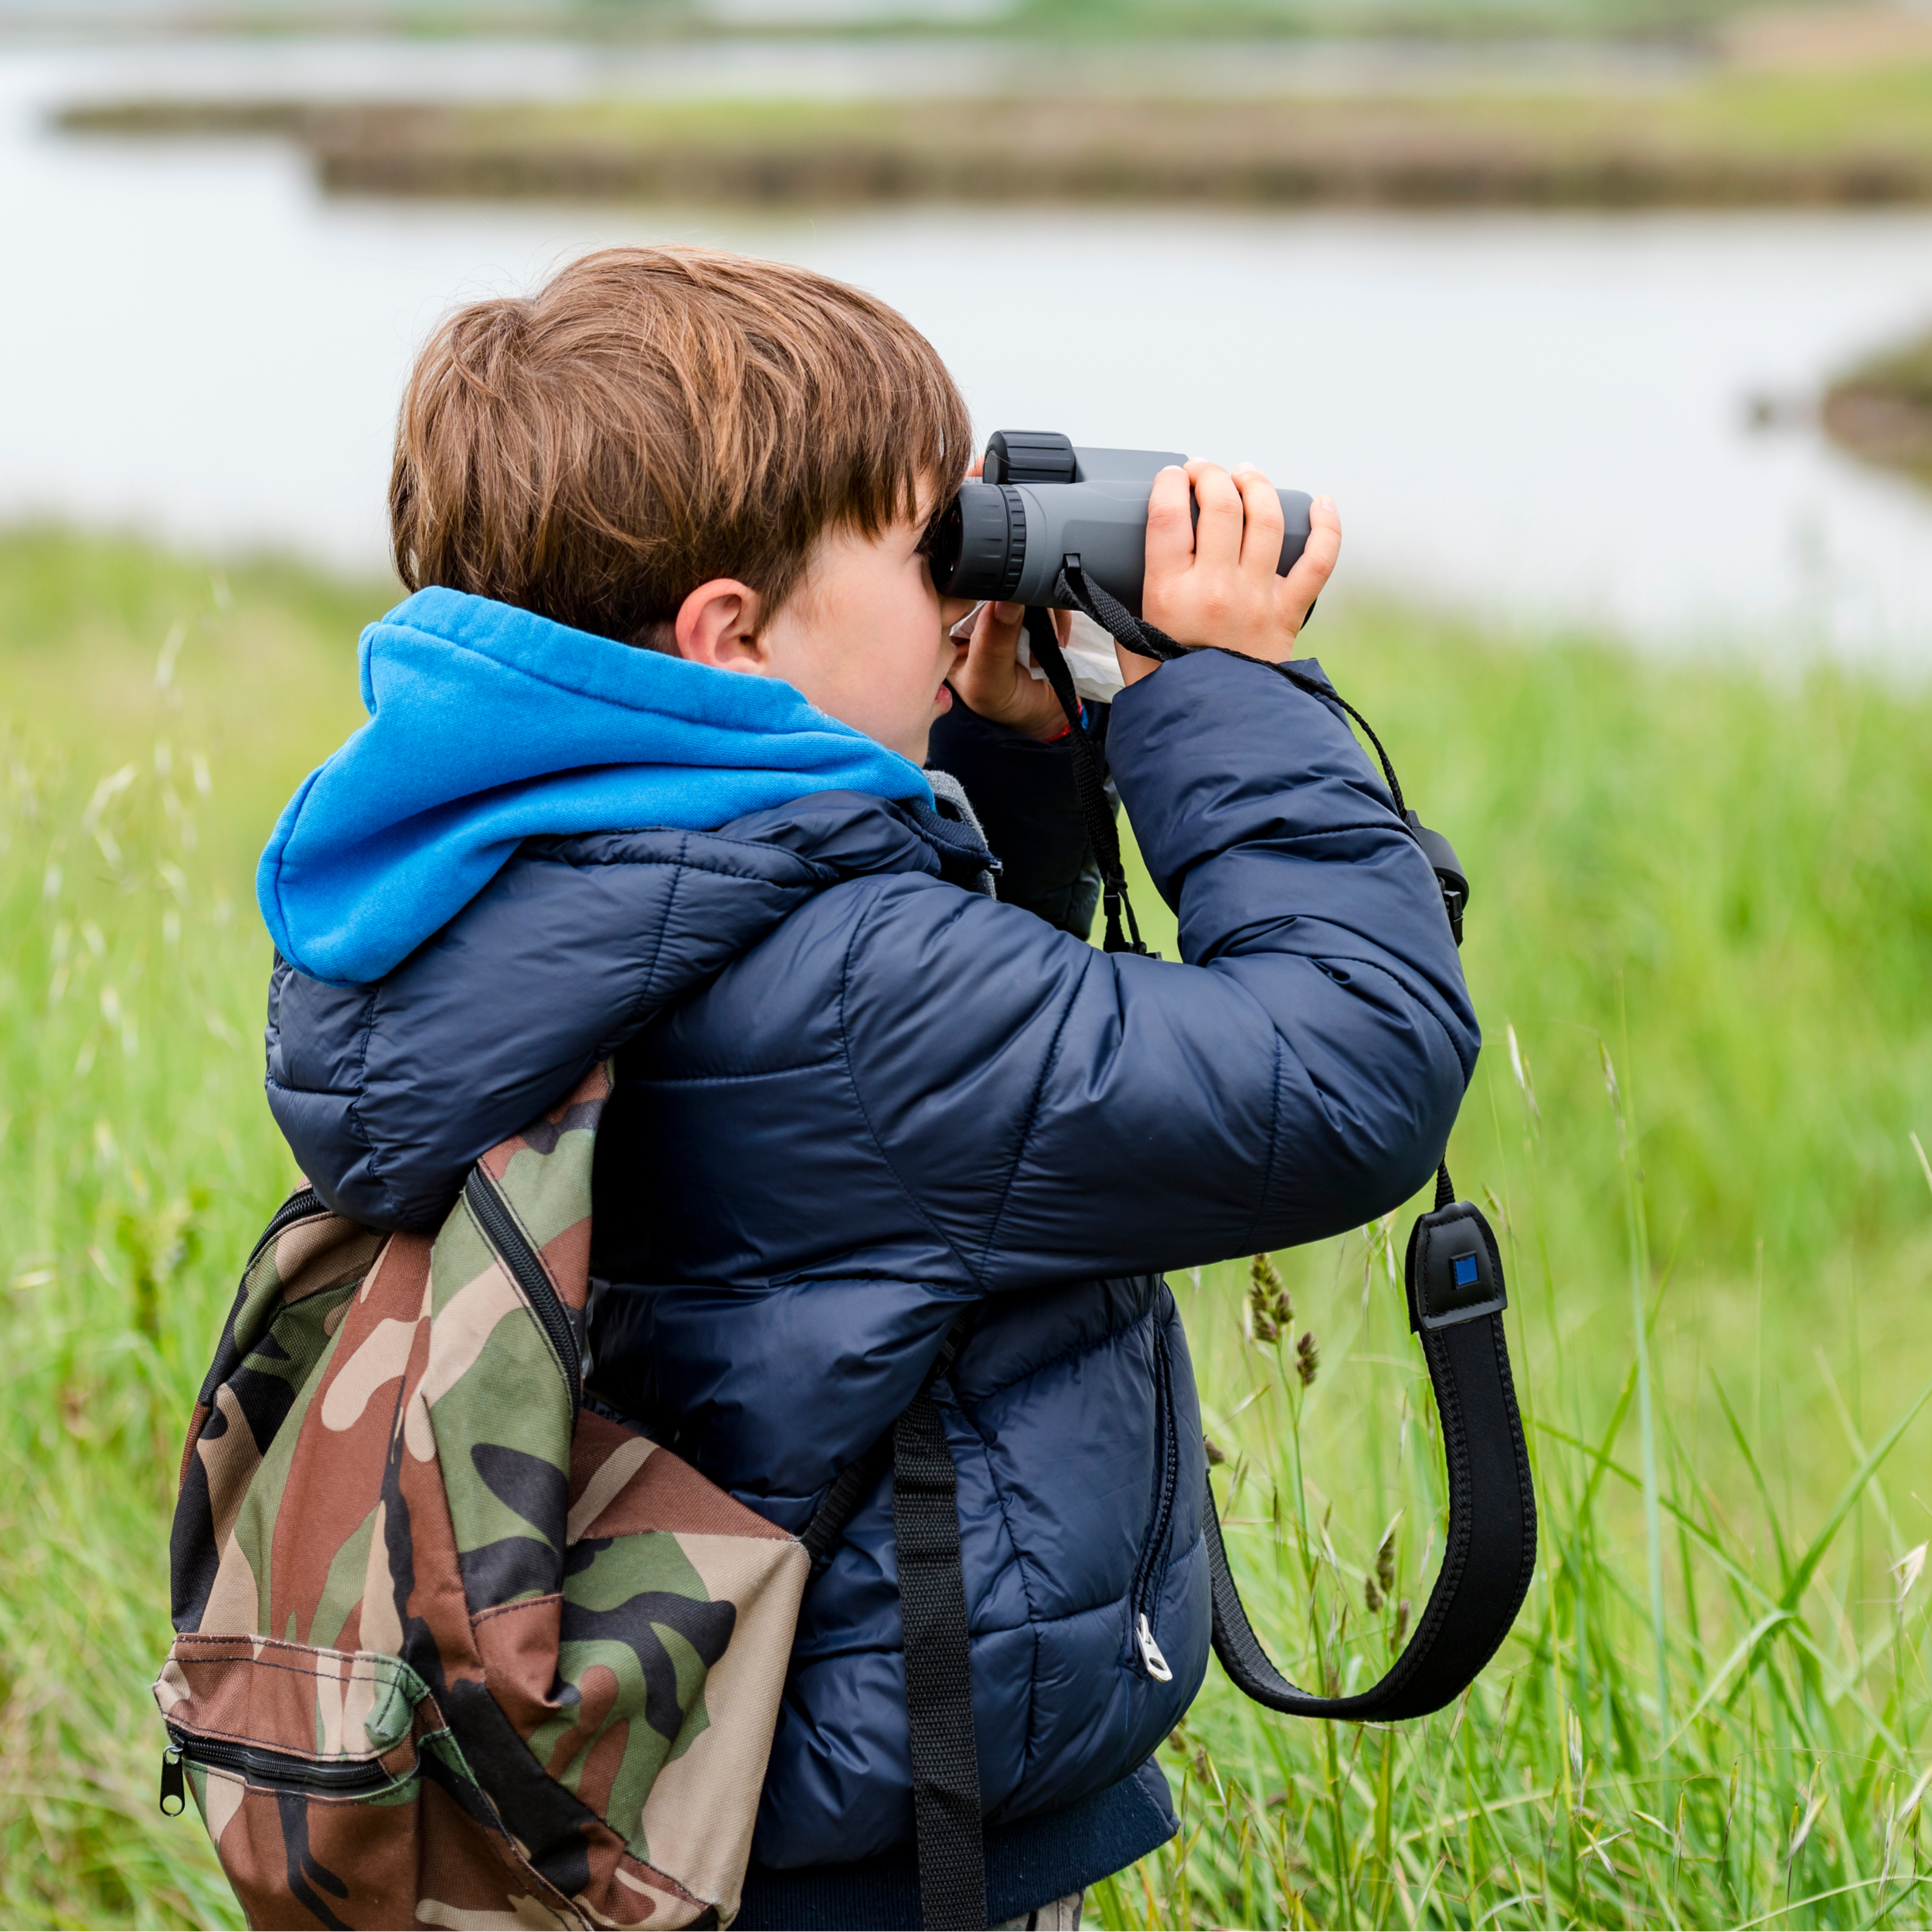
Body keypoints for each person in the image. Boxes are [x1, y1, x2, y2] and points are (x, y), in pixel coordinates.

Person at [255, 244, 1477, 1929]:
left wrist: (1010, 765)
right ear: (732, 636)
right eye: (927, 555)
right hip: (881, 1851)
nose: (966, 595)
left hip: (676, 1786)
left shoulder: (497, 894)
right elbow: (1350, 1066)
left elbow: (900, 1145)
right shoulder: (858, 984)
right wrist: (1228, 702)